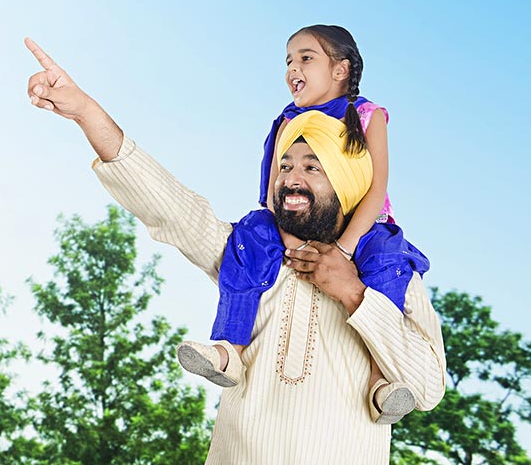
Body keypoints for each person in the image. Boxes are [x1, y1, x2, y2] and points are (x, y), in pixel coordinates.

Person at [24, 37, 446, 464]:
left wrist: (355, 293)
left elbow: (427, 389)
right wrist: (85, 112)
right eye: (284, 166)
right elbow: (168, 205)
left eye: (312, 167)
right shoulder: (248, 253)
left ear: (345, 180)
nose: (290, 178)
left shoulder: (391, 275)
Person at [177, 24, 426, 425]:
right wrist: (287, 239)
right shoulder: (286, 120)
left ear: (341, 69)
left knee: (385, 263)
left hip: (361, 225)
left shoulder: (367, 116)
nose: (293, 68)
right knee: (250, 237)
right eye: (288, 61)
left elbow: (376, 190)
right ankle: (229, 351)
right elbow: (280, 186)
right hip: (293, 221)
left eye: (306, 58)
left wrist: (344, 248)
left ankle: (383, 383)